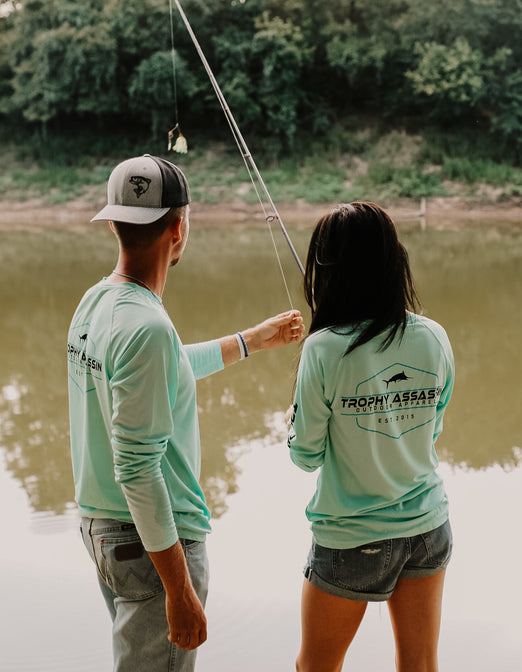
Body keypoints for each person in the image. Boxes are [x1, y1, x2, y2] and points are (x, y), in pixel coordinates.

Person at [67, 153, 303, 672]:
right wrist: (178, 588)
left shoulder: (97, 303)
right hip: (153, 542)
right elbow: (137, 467)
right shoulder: (146, 326)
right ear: (179, 227)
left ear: (112, 223)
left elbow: (159, 371)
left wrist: (249, 341)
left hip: (104, 530)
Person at [286, 202, 454, 672]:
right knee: (419, 665)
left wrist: (293, 421)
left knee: (315, 667)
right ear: (393, 261)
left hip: (350, 537)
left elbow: (305, 455)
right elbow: (429, 430)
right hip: (428, 527)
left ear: (329, 270)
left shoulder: (322, 349)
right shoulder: (434, 337)